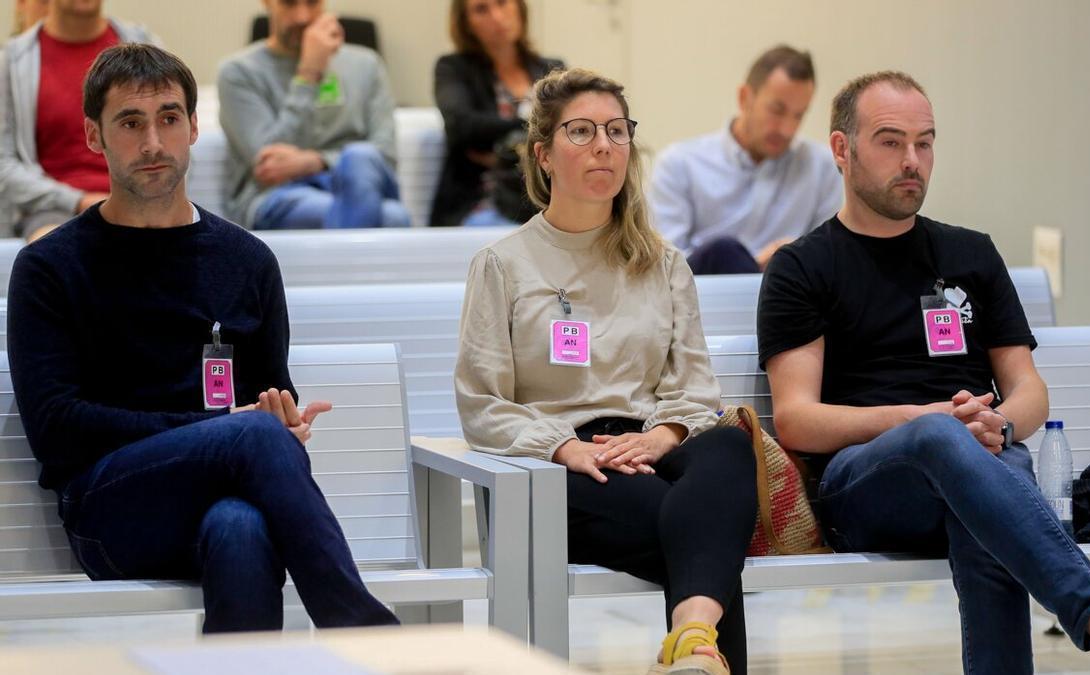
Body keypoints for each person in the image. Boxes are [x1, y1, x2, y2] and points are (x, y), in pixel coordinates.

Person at [758, 70, 1090, 675]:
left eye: (925, 142)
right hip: (864, 487)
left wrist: (999, 428)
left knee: (988, 479)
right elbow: (797, 420)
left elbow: (1028, 389)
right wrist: (923, 420)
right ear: (841, 149)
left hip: (976, 469)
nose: (913, 161)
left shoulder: (971, 253)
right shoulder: (803, 267)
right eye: (890, 141)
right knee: (951, 445)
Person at [6, 43, 400, 633]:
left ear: (193, 127)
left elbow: (271, 395)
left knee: (241, 526)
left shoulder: (248, 260)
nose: (154, 144)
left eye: (168, 119)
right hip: (109, 512)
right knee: (251, 436)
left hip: (222, 498)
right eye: (130, 123)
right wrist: (232, 431)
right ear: (94, 136)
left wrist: (280, 418)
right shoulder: (50, 266)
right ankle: (362, 630)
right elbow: (57, 428)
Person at [455, 68, 757, 675]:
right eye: (583, 131)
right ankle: (697, 639)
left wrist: (663, 435)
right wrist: (563, 447)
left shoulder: (663, 263)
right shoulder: (502, 264)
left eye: (618, 131)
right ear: (542, 155)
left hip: (653, 446)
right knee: (706, 531)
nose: (604, 146)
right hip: (557, 466)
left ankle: (691, 637)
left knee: (727, 447)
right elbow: (482, 403)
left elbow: (697, 391)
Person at [217, 0, 408, 230]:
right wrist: (309, 73)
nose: (302, 17)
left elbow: (385, 154)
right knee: (393, 217)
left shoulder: (367, 64)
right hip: (278, 194)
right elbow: (269, 165)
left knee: (360, 156)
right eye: (289, 3)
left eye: (312, 3)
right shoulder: (238, 72)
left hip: (358, 183)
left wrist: (314, 162)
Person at [650, 45, 841, 275]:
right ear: (744, 98)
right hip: (703, 301)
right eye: (777, 110)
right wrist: (756, 264)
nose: (787, 129)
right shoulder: (679, 165)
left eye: (798, 115)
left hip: (790, 301)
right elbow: (666, 270)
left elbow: (830, 264)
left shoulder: (822, 168)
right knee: (723, 252)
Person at [0, 0, 155, 242]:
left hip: (141, 200)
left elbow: (176, 139)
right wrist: (79, 201)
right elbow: (4, 164)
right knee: (58, 253)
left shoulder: (144, 45)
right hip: (55, 211)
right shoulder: (13, 61)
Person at [431, 0, 563, 227]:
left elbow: (566, 130)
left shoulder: (551, 68)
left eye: (502, 3)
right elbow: (460, 126)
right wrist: (530, 127)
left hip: (546, 200)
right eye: (481, 9)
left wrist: (499, 150)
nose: (497, 17)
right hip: (480, 199)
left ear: (519, 7)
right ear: (466, 24)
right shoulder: (453, 68)